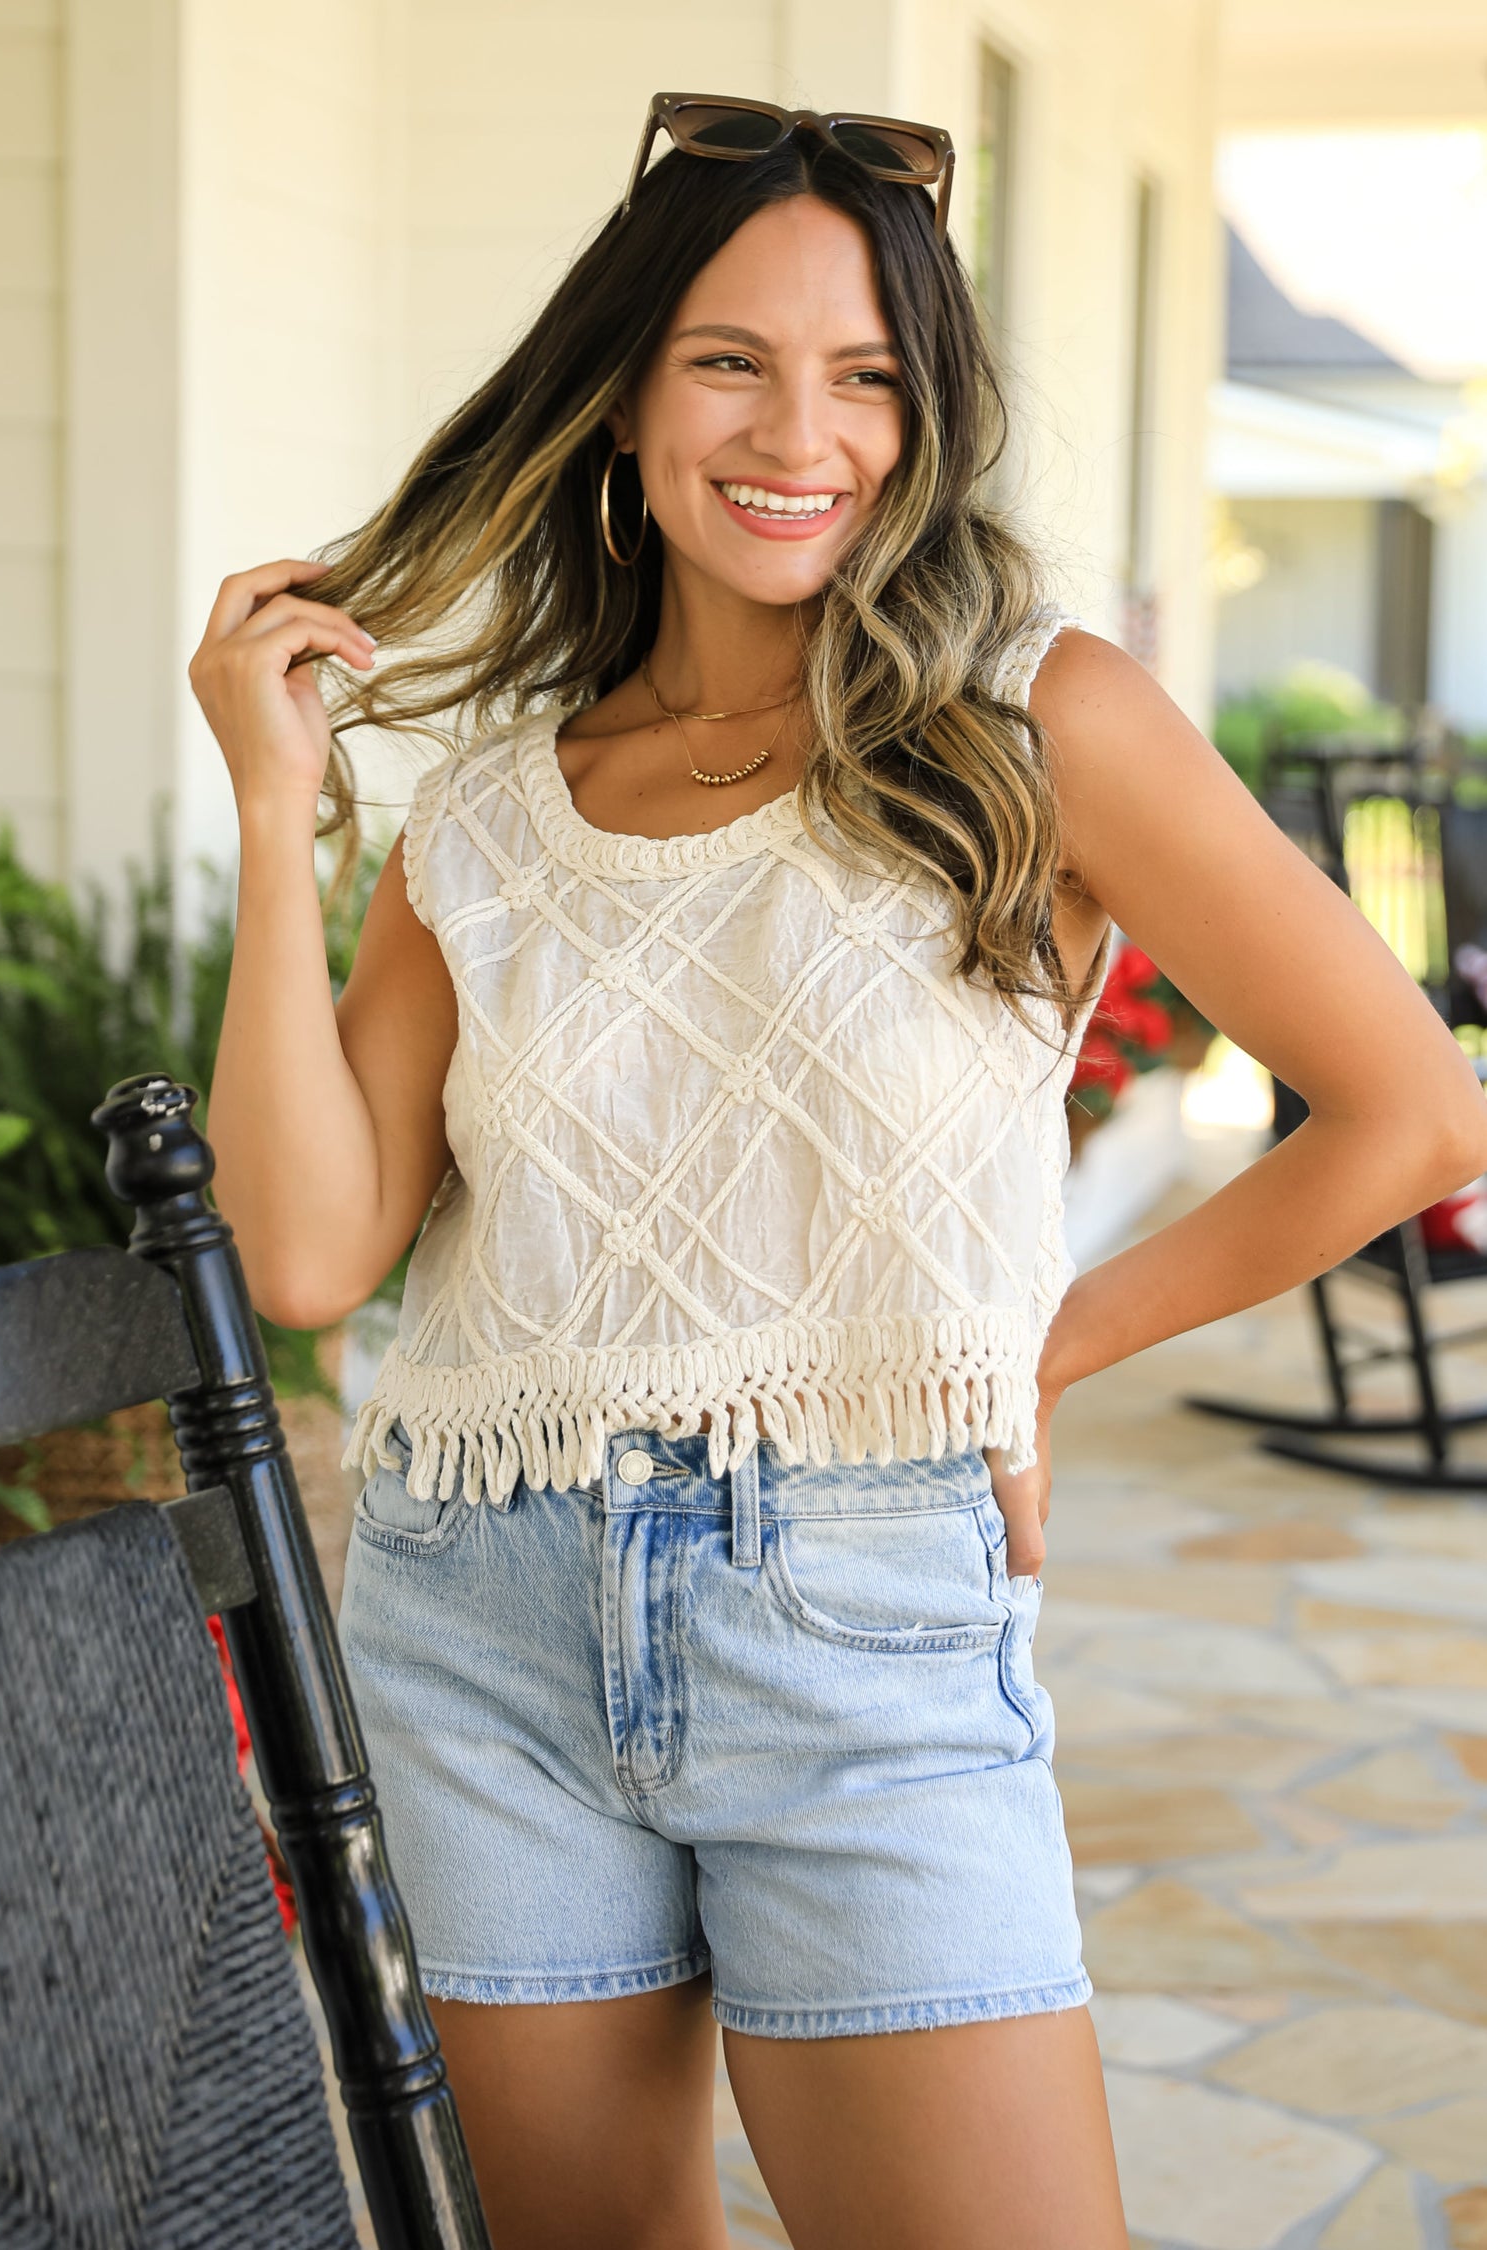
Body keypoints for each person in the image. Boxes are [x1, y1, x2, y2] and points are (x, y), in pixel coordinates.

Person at [189, 94, 1487, 2250]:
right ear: (625, 396)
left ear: (925, 414)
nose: (803, 433)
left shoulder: (1035, 724)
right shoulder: (493, 816)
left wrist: (1047, 1348)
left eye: (867, 375)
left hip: (864, 1615)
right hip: (479, 1615)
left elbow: (1414, 1111)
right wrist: (269, 811)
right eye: (731, 361)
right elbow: (312, 1254)